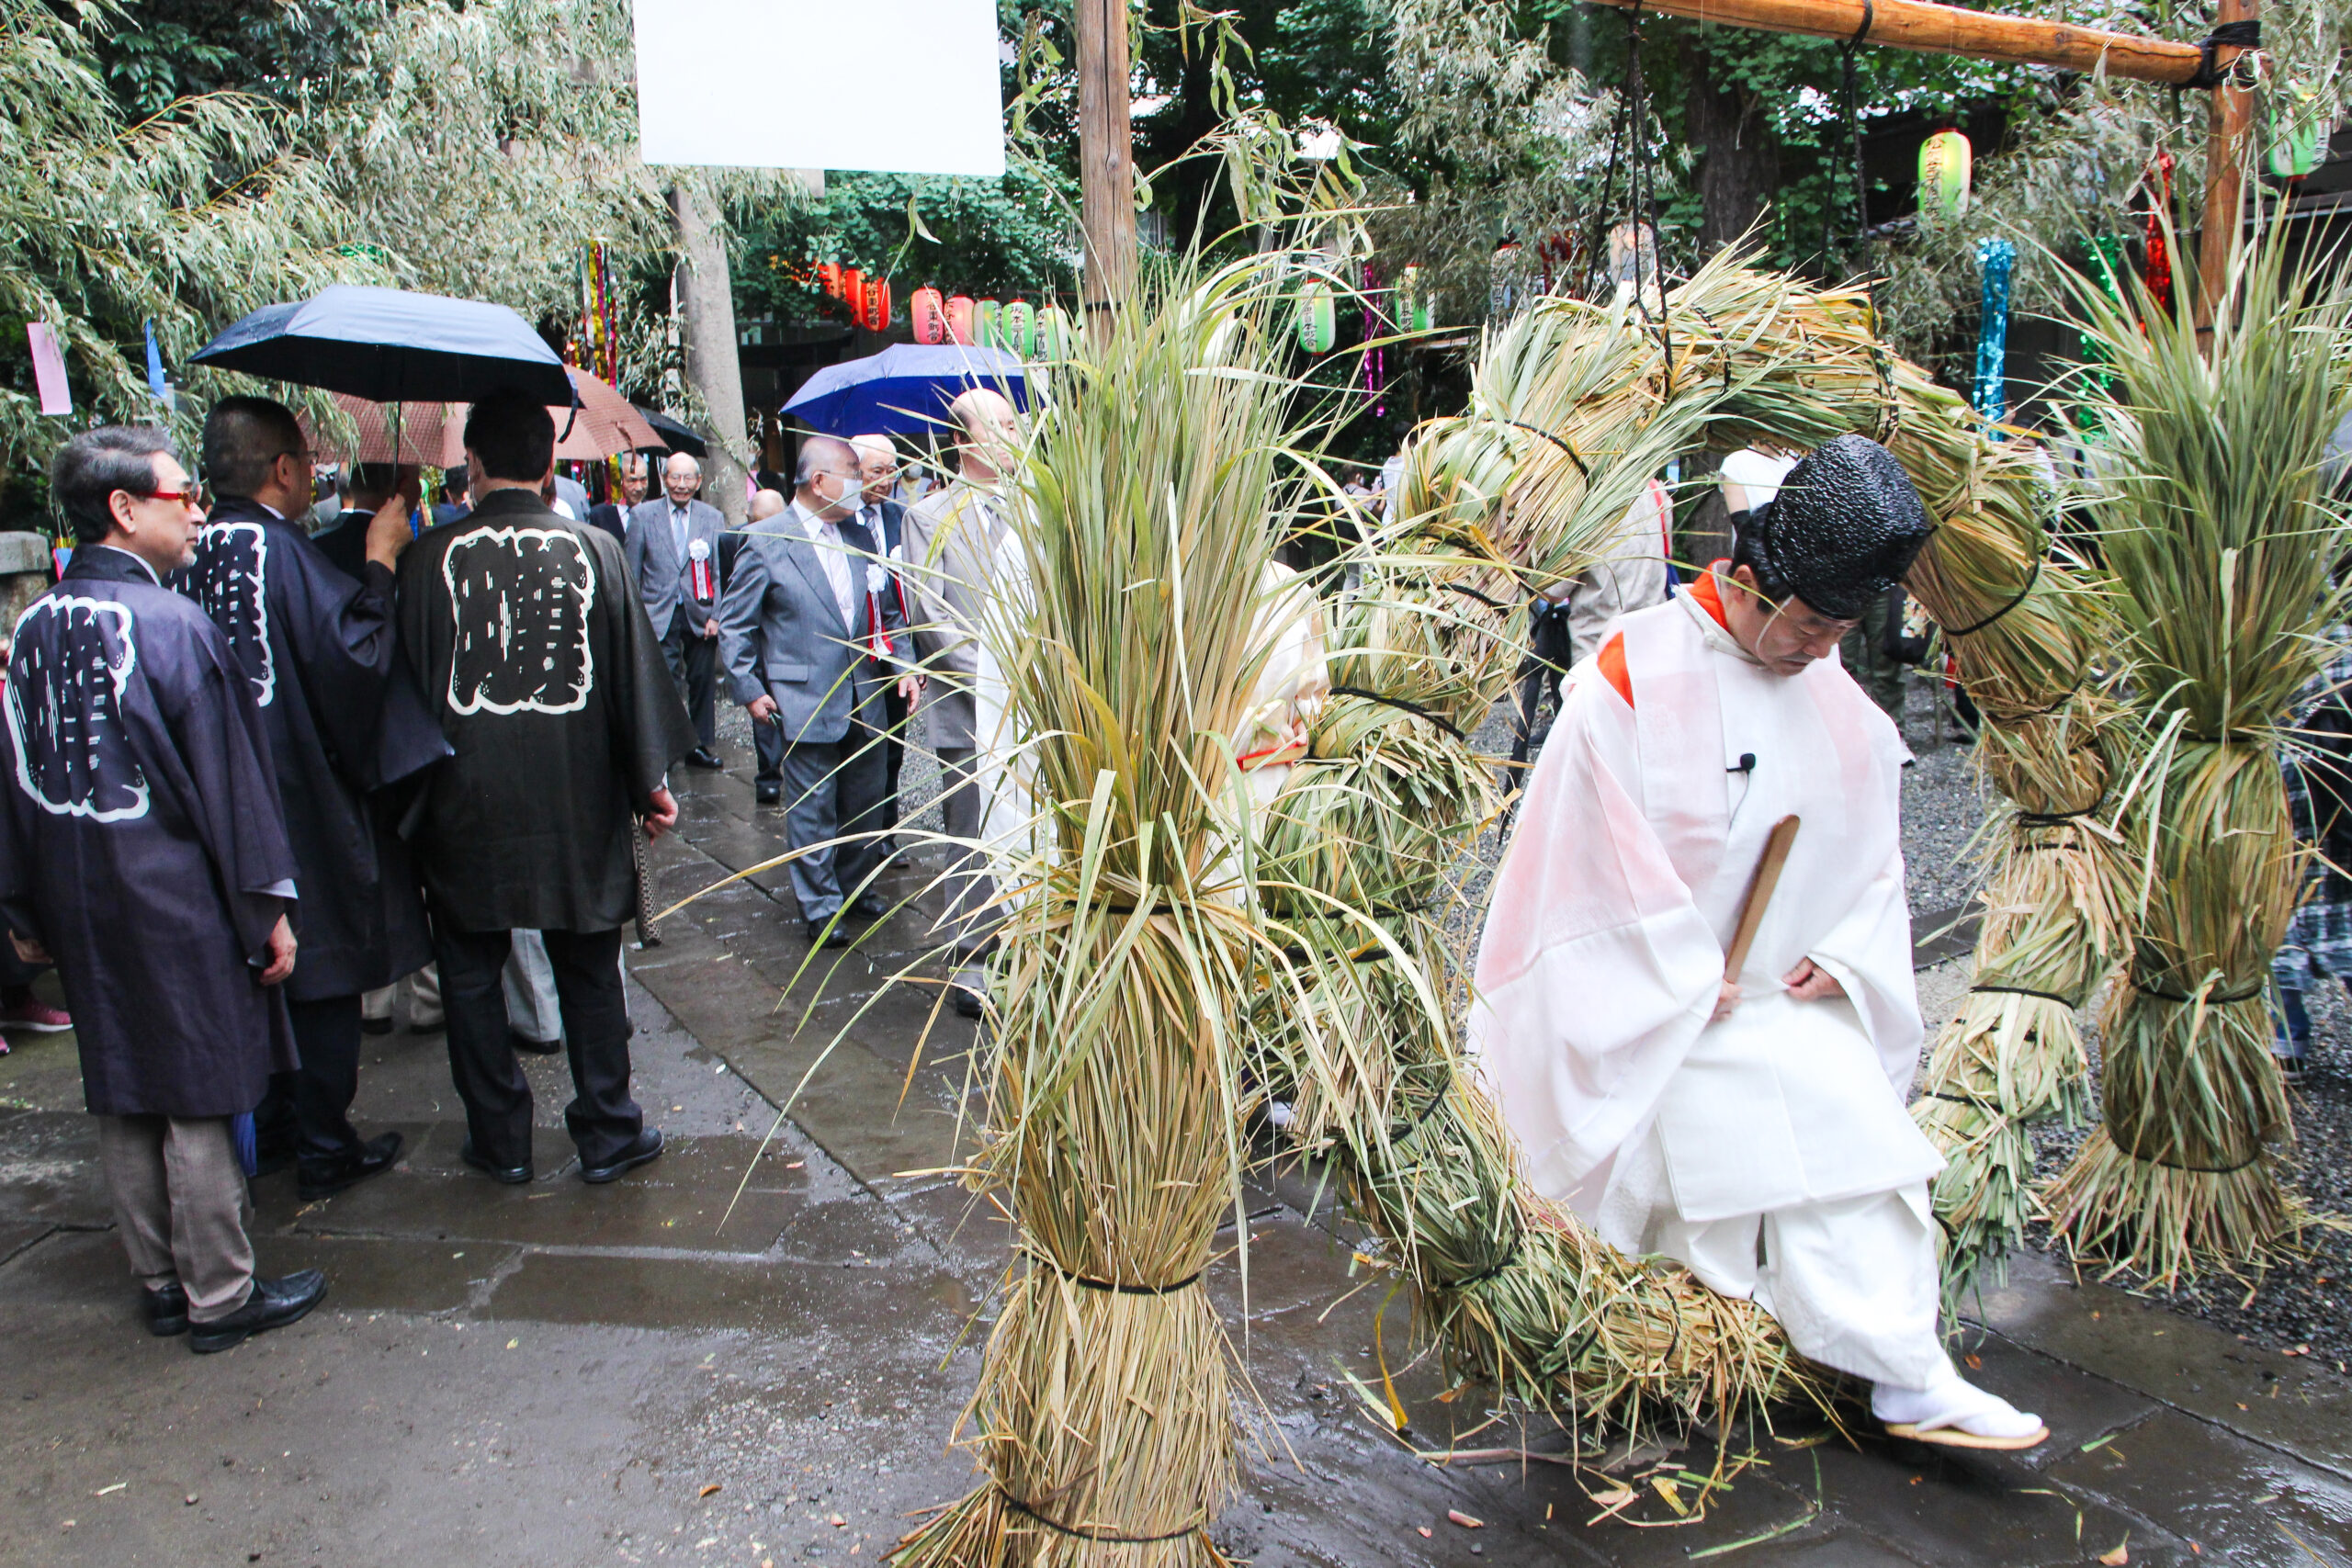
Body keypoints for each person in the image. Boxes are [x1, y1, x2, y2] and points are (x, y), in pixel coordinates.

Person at [1471, 434, 2047, 1451]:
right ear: (1746, 582)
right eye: (1813, 624)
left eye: (1840, 628)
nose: (1824, 649)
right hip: (1661, 1010)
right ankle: (1690, 1352)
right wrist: (1682, 977)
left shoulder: (1828, 686)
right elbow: (1575, 863)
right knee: (1719, 1158)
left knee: (1863, 1155)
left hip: (1779, 994)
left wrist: (1851, 949)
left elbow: (1871, 854)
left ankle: (1908, 1372)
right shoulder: (1632, 670)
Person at [0, 425, 323, 1352]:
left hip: (77, 891)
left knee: (124, 1087)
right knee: (195, 1085)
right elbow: (230, 784)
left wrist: (20, 907)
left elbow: (12, 777)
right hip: (174, 896)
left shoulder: (34, 628)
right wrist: (268, 908)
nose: (196, 510)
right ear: (124, 508)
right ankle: (220, 1290)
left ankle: (156, 1281)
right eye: (181, 495)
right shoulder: (173, 626)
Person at [396, 390, 695, 1185]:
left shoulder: (427, 560)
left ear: (475, 463)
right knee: (589, 967)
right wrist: (649, 784)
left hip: (463, 803)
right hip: (578, 799)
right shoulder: (595, 549)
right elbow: (633, 678)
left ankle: (500, 1140)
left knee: (468, 974)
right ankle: (607, 1129)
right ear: (550, 466)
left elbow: (410, 689)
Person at [181, 398, 445, 1201]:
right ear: (285, 470)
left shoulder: (190, 552)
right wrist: (380, 561)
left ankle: (277, 1127)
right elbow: (354, 661)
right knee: (321, 971)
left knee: (255, 970)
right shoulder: (279, 552)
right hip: (296, 793)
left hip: (217, 790)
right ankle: (326, 1140)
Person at [718, 436, 915, 948]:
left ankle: (853, 887)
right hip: (801, 695)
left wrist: (906, 665)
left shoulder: (859, 536)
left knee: (865, 801)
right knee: (812, 807)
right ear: (820, 481)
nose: (862, 483)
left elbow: (887, 611)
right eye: (852, 473)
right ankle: (822, 906)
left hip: (865, 691)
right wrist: (749, 688)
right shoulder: (766, 540)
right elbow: (736, 625)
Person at [902, 391, 1020, 1010]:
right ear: (962, 440)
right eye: (998, 426)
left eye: (1013, 422)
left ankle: (1029, 947)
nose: (1011, 433)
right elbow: (931, 612)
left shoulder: (1033, 508)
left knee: (1025, 828)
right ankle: (972, 959)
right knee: (970, 834)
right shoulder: (928, 516)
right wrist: (996, 677)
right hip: (968, 704)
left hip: (1035, 706)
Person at [625, 452, 726, 770]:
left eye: (688, 479)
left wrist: (717, 615)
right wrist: (636, 617)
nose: (681, 485)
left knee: (702, 681)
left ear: (698, 481)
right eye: (674, 477)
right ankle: (665, 747)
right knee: (663, 682)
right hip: (658, 610)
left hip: (700, 610)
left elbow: (722, 572)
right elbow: (632, 569)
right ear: (663, 479)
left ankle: (698, 746)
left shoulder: (712, 517)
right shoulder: (643, 515)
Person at [849, 434, 915, 844]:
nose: (887, 479)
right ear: (854, 472)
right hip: (857, 656)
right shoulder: (839, 518)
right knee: (860, 753)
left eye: (893, 470)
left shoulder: (901, 517)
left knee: (894, 747)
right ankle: (861, 834)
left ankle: (887, 831)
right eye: (877, 471)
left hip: (896, 647)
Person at [722, 487, 791, 805]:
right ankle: (769, 773)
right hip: (755, 635)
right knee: (765, 708)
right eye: (755, 522)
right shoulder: (734, 542)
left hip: (786, 637)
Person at [586, 453, 648, 543]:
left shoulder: (656, 512)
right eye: (632, 481)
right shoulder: (598, 516)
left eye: (643, 480)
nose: (639, 488)